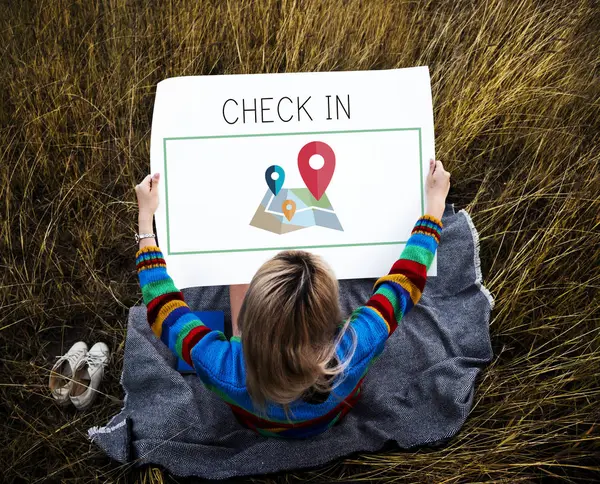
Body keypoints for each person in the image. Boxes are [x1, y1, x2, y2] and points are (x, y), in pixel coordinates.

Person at [134, 158, 450, 438]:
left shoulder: (222, 366)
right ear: (333, 318)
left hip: (255, 422)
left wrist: (146, 220)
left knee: (237, 273)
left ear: (246, 320)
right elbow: (405, 281)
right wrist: (435, 205)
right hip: (331, 417)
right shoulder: (358, 344)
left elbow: (162, 305)